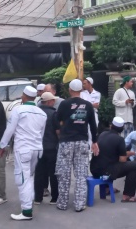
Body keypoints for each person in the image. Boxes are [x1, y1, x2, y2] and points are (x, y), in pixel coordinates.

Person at [0, 86, 47, 221]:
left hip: (23, 149)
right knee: (29, 176)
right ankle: (29, 202)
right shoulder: (42, 113)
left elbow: (10, 130)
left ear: (24, 96)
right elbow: (41, 134)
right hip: (37, 149)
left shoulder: (18, 110)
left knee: (23, 179)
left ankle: (26, 211)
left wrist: (2, 145)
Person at [54, 79, 99, 212]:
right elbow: (93, 125)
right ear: (81, 90)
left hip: (66, 142)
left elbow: (57, 121)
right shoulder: (88, 105)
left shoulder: (64, 104)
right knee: (81, 174)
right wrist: (95, 142)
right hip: (82, 142)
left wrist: (62, 129)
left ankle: (62, 203)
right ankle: (79, 204)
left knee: (64, 174)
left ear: (69, 89)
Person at [90, 117, 136, 202]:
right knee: (134, 165)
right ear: (121, 129)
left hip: (94, 169)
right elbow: (122, 160)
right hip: (105, 172)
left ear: (111, 126)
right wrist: (125, 154)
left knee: (108, 161)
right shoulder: (120, 139)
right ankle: (128, 195)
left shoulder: (102, 134)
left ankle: (106, 188)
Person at [34, 92, 60, 205]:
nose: (54, 102)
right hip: (51, 147)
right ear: (49, 101)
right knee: (53, 173)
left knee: (39, 173)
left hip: (38, 147)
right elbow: (58, 131)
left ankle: (38, 198)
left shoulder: (36, 113)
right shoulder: (54, 113)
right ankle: (54, 198)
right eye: (53, 100)